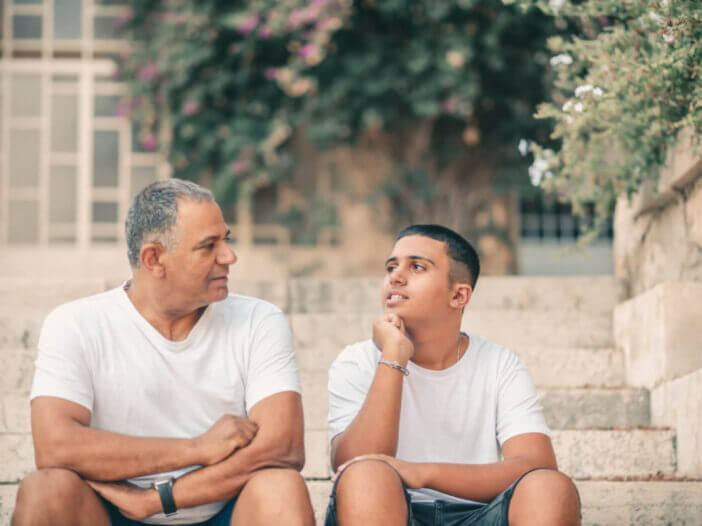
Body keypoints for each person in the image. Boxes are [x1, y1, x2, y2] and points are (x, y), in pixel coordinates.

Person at [12, 179, 314, 526]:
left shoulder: (259, 320)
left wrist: (158, 499)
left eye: (225, 240)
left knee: (281, 487)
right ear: (154, 259)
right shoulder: (75, 324)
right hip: (111, 514)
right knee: (45, 490)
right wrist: (195, 449)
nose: (229, 256)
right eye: (208, 246)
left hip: (225, 513)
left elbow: (283, 447)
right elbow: (55, 447)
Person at [325, 224, 581, 526]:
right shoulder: (357, 361)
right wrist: (393, 355)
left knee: (550, 488)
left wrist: (422, 473)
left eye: (417, 266)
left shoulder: (500, 365)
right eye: (391, 267)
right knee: (367, 477)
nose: (395, 276)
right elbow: (355, 464)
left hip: (480, 514)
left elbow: (536, 464)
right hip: (388, 511)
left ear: (459, 295)